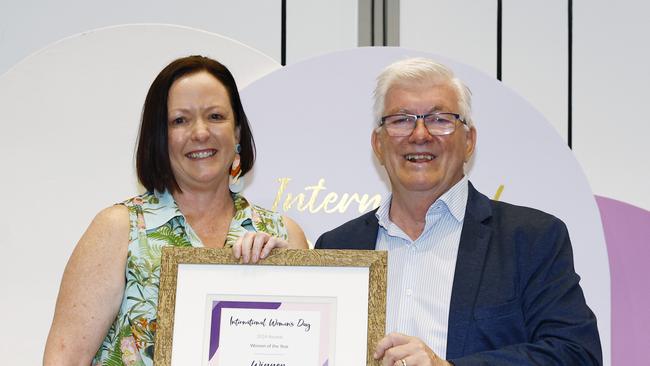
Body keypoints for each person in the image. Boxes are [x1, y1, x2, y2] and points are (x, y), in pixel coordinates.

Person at [315, 58, 602, 365]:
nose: (420, 134)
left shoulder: (531, 239)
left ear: (469, 141)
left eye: (440, 119)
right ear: (378, 144)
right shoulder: (335, 248)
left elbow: (576, 355)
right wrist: (266, 270)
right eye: (401, 120)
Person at [43, 55, 308, 365]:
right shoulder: (121, 229)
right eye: (180, 120)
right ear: (160, 137)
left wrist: (289, 270)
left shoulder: (283, 234)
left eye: (215, 116)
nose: (199, 133)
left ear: (237, 131)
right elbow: (64, 359)